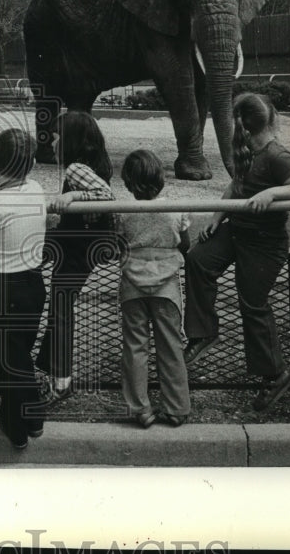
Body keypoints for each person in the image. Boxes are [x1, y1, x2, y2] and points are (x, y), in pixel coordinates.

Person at [183, 93, 290, 412]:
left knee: (252, 305)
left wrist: (272, 192)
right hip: (237, 229)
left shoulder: (277, 154)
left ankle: (277, 374)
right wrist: (217, 218)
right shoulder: (248, 149)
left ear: (248, 125)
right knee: (198, 259)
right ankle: (204, 334)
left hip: (264, 242)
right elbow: (236, 185)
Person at [0, 128, 48, 450]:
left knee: (8, 355)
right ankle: (11, 414)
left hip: (2, 287)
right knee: (16, 354)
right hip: (33, 283)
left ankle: (27, 415)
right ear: (30, 165)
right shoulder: (38, 190)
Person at [37, 110, 115, 403]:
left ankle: (60, 379)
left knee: (60, 308)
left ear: (69, 140)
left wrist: (71, 196)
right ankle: (52, 371)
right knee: (59, 305)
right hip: (82, 241)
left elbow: (105, 195)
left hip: (79, 245)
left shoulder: (74, 169)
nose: (53, 143)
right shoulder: (94, 162)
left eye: (56, 137)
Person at [116, 149, 191, 428]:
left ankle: (140, 409)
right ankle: (176, 407)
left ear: (128, 183)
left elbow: (118, 246)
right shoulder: (176, 209)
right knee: (170, 346)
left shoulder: (123, 213)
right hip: (167, 287)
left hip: (132, 286)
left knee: (135, 346)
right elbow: (185, 244)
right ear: (160, 179)